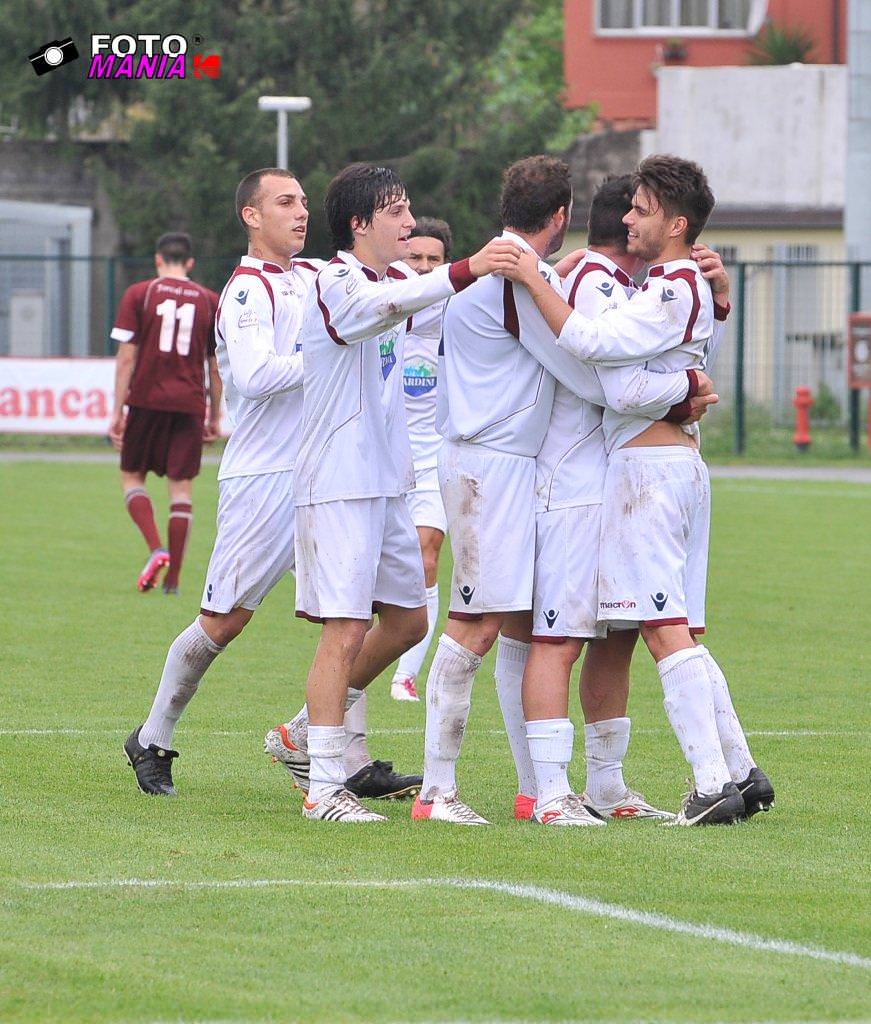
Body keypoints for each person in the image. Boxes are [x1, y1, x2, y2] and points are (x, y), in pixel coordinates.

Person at [413, 155, 710, 826]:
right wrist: (679, 391)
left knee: (513, 624)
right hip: (495, 467)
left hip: (501, 465)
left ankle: (541, 790)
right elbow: (589, 375)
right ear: (561, 213)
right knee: (490, 625)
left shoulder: (524, 269)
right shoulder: (521, 276)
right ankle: (459, 793)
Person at [502, 155, 774, 826]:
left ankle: (713, 783)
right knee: (666, 624)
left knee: (659, 627)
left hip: (649, 478)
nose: (629, 219)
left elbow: (609, 367)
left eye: (643, 209)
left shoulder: (671, 285)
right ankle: (738, 770)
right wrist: (686, 385)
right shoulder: (674, 282)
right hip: (664, 469)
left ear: (676, 224)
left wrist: (535, 281)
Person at [286, 163, 524, 823]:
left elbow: (448, 305)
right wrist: (465, 267)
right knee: (343, 627)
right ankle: (324, 787)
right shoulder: (335, 281)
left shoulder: (397, 282)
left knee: (408, 621)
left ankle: (306, 729)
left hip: (387, 486)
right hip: (337, 482)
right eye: (396, 211)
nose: (408, 222)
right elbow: (384, 308)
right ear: (361, 223)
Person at [109, 233, 222, 594]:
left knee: (131, 476)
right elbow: (215, 367)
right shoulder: (209, 301)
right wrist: (214, 415)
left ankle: (157, 548)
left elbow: (127, 356)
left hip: (145, 400)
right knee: (181, 489)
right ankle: (173, 580)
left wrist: (117, 410)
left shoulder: (139, 294)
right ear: (189, 263)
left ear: (159, 260)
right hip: (189, 403)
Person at [389, 217, 453, 702]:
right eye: (416, 258)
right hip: (385, 461)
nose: (425, 267)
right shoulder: (382, 314)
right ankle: (377, 653)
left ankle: (404, 676)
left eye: (434, 260)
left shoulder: (452, 313)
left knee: (425, 553)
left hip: (434, 460)